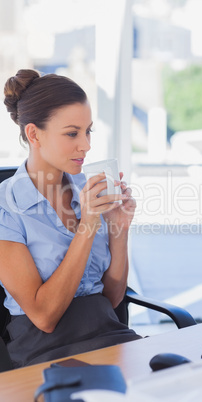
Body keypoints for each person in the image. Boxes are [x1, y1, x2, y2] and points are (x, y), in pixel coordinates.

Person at [0, 69, 141, 368]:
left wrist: (119, 229)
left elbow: (113, 299)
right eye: (72, 133)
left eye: (88, 131)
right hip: (46, 353)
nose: (86, 145)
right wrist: (88, 225)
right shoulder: (6, 207)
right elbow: (45, 317)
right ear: (34, 134)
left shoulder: (87, 192)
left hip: (110, 337)